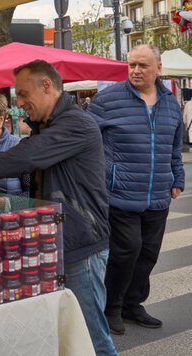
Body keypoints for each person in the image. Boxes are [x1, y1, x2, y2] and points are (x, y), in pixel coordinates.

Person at [0, 60, 117, 355]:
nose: (19, 103)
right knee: (64, 335)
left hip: (82, 247)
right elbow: (37, 194)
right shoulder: (45, 128)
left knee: (93, 338)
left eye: (22, 93)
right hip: (54, 243)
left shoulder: (76, 125)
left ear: (47, 86)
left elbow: (26, 157)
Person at [87, 44, 185, 335]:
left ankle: (133, 304)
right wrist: (102, 178)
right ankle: (112, 307)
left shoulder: (170, 103)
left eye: (142, 65)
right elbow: (88, 143)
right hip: (120, 194)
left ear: (158, 68)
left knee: (148, 254)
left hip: (158, 194)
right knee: (126, 250)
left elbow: (174, 146)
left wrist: (177, 178)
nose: (136, 71)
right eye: (131, 65)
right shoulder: (106, 100)